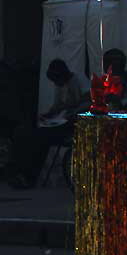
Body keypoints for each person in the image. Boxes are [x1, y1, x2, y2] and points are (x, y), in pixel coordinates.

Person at [8, 58, 88, 189]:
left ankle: (29, 177)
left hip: (74, 122)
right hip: (62, 121)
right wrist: (47, 115)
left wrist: (72, 108)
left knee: (43, 139)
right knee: (30, 135)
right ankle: (21, 172)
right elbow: (57, 106)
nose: (57, 84)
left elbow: (88, 97)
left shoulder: (79, 80)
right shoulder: (60, 86)